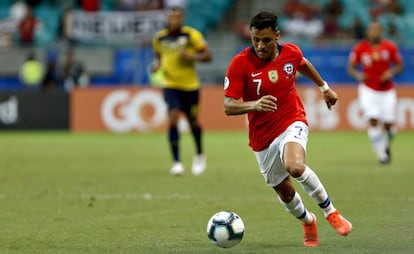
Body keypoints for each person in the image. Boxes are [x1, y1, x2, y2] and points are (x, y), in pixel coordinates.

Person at [223, 11, 352, 247]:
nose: (260, 46)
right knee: (285, 192)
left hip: (292, 120)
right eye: (255, 40)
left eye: (266, 40)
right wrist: (255, 104)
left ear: (277, 36)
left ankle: (331, 212)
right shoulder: (240, 63)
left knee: (295, 166)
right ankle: (307, 220)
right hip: (262, 138)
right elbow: (228, 106)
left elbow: (302, 64)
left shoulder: (290, 52)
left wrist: (324, 87)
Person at [151, 6, 212, 176]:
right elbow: (158, 56)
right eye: (171, 17)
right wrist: (156, 65)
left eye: (177, 17)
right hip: (171, 85)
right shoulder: (159, 38)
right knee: (173, 117)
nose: (174, 20)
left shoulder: (191, 35)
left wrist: (191, 57)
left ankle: (199, 154)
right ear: (167, 18)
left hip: (191, 86)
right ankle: (177, 162)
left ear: (182, 18)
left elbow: (208, 56)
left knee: (193, 122)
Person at [347, 20, 403, 165]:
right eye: (372, 30)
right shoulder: (360, 48)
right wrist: (359, 75)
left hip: (387, 90)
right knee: (373, 120)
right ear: (368, 32)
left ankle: (386, 146)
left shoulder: (389, 47)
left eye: (377, 30)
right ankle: (381, 155)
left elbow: (399, 65)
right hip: (368, 89)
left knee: (389, 126)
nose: (374, 32)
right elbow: (351, 68)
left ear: (381, 32)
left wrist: (390, 73)